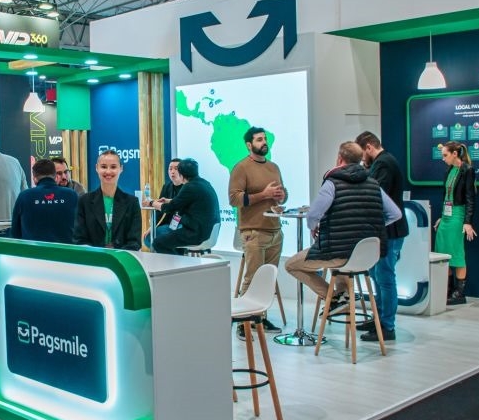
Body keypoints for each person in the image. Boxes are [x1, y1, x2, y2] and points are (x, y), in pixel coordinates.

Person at [285, 141, 402, 341]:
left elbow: (313, 215)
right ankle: (343, 297)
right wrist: (373, 224)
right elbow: (395, 214)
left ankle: (334, 299)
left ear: (340, 159)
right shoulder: (374, 184)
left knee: (291, 265)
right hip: (367, 258)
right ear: (360, 160)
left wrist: (313, 226)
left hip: (338, 254)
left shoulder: (332, 183)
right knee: (340, 268)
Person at [228, 126, 287, 332]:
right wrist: (263, 195)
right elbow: (234, 198)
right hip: (253, 231)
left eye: (265, 139)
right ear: (249, 145)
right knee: (252, 278)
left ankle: (260, 318)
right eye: (259, 139)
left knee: (267, 280)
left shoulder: (274, 167)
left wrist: (281, 196)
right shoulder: (241, 168)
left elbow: (282, 193)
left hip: (275, 230)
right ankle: (243, 323)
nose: (264, 142)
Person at [355, 131, 409, 342]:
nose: (361, 159)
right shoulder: (383, 162)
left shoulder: (384, 164)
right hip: (384, 230)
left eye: (361, 154)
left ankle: (387, 326)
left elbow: (375, 193)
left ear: (369, 147)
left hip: (390, 231)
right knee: (378, 275)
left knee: (385, 277)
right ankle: (378, 319)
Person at [434, 141, 477, 305]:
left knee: (456, 253)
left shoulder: (467, 170)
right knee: (443, 252)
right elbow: (447, 195)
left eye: (445, 155)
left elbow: (470, 197)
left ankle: (459, 293)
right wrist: (442, 215)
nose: (443, 159)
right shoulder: (449, 170)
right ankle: (448, 289)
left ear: (454, 154)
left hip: (458, 215)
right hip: (446, 216)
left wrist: (468, 222)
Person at [73, 149, 141, 250]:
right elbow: (79, 240)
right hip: (93, 257)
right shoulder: (84, 201)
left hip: (121, 258)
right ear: (97, 168)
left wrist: (116, 254)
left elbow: (134, 242)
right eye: (104, 167)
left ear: (121, 168)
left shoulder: (132, 203)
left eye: (113, 167)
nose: (108, 171)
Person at [150, 158, 220, 255]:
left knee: (158, 243)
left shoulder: (189, 187)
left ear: (181, 174)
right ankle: (179, 260)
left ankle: (176, 264)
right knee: (167, 238)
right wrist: (168, 200)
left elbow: (169, 208)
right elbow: (183, 201)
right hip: (209, 231)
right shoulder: (204, 183)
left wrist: (152, 203)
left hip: (196, 233)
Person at [11, 159, 79, 243]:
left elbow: (15, 232)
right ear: (55, 177)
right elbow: (80, 227)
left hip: (32, 250)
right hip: (66, 250)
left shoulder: (24, 196)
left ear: (34, 178)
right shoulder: (72, 195)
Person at [141, 158, 184, 247]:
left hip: (184, 224)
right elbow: (159, 209)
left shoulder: (187, 187)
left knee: (163, 238)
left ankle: (175, 253)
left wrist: (152, 202)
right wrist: (152, 227)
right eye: (170, 169)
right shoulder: (167, 186)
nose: (172, 172)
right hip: (170, 224)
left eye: (176, 169)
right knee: (148, 238)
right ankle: (171, 254)